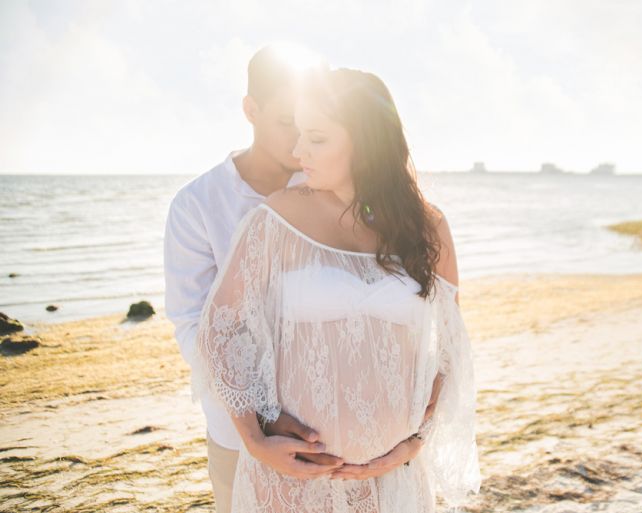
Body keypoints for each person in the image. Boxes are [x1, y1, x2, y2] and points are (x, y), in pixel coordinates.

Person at [192, 67, 481, 512]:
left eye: (317, 138)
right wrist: (254, 436)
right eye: (299, 134)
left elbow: (451, 348)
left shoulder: (428, 227)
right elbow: (221, 328)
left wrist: (417, 440)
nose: (297, 150)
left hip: (392, 485)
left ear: (366, 142)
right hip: (295, 481)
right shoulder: (279, 218)